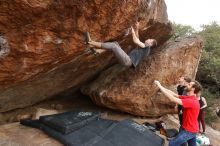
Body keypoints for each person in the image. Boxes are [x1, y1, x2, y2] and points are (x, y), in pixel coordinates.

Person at [84, 22, 157, 68]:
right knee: (116, 43)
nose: (148, 39)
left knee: (113, 46)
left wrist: (132, 31)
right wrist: (137, 28)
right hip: (127, 60)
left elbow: (136, 41)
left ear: (150, 44)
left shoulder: (147, 49)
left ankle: (90, 42)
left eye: (150, 39)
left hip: (128, 61)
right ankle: (97, 51)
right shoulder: (144, 49)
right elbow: (138, 40)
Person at [154, 80, 202, 146]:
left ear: (193, 89)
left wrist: (159, 86)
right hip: (187, 128)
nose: (187, 84)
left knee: (172, 144)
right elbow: (174, 95)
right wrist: (161, 87)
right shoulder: (190, 98)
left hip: (189, 130)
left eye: (189, 84)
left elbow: (172, 99)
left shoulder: (192, 101)